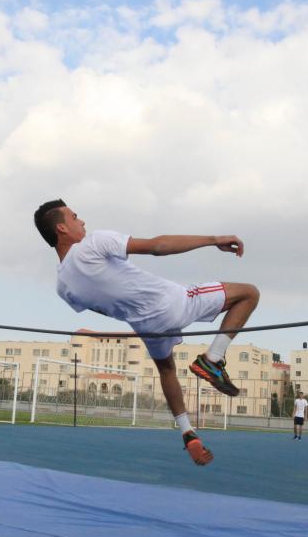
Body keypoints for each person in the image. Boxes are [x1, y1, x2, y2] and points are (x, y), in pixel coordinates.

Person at [34, 200, 260, 466]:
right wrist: (213, 240)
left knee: (167, 371)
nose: (81, 221)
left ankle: (188, 433)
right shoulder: (93, 243)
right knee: (249, 293)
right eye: (74, 217)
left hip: (147, 327)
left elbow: (107, 307)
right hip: (176, 301)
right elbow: (156, 247)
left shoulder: (63, 287)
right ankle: (213, 359)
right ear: (62, 228)